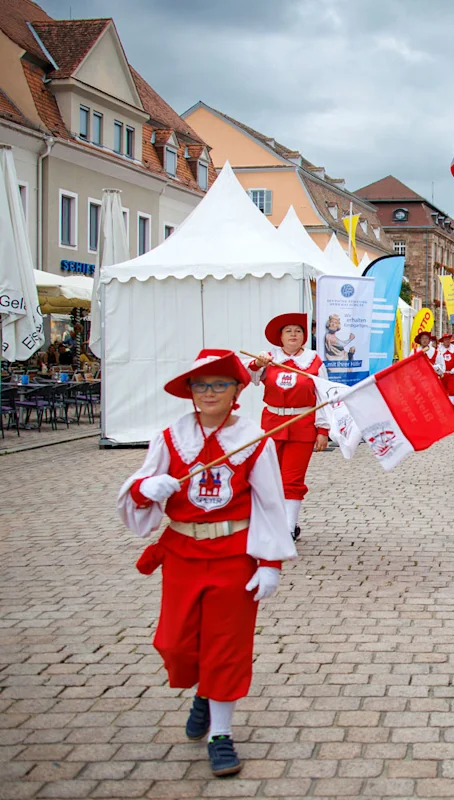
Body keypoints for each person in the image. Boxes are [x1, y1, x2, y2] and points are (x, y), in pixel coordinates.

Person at [117, 349, 296, 777]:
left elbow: (271, 504)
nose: (209, 392)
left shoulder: (254, 440)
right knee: (175, 644)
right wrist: (147, 486)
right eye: (201, 385)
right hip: (182, 554)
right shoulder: (170, 437)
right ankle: (203, 693)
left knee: (226, 647)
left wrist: (270, 563)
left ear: (237, 391)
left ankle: (221, 733)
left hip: (234, 556)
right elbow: (138, 495)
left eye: (219, 384)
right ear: (190, 392)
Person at [250, 313, 330, 542]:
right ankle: (273, 522)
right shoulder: (269, 359)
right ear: (280, 337)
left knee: (292, 479)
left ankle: (287, 529)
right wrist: (257, 363)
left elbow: (322, 397)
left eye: (298, 330)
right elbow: (249, 378)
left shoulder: (314, 362)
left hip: (302, 425)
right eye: (288, 331)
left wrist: (322, 431)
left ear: (305, 336)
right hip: (273, 425)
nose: (294, 334)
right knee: (268, 477)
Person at [435, 333, 454, 407]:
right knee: (442, 389)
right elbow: (436, 360)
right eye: (445, 340)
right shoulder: (439, 349)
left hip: (451, 373)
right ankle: (443, 404)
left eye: (448, 339)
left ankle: (451, 405)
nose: (447, 341)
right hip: (442, 373)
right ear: (443, 341)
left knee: (451, 389)